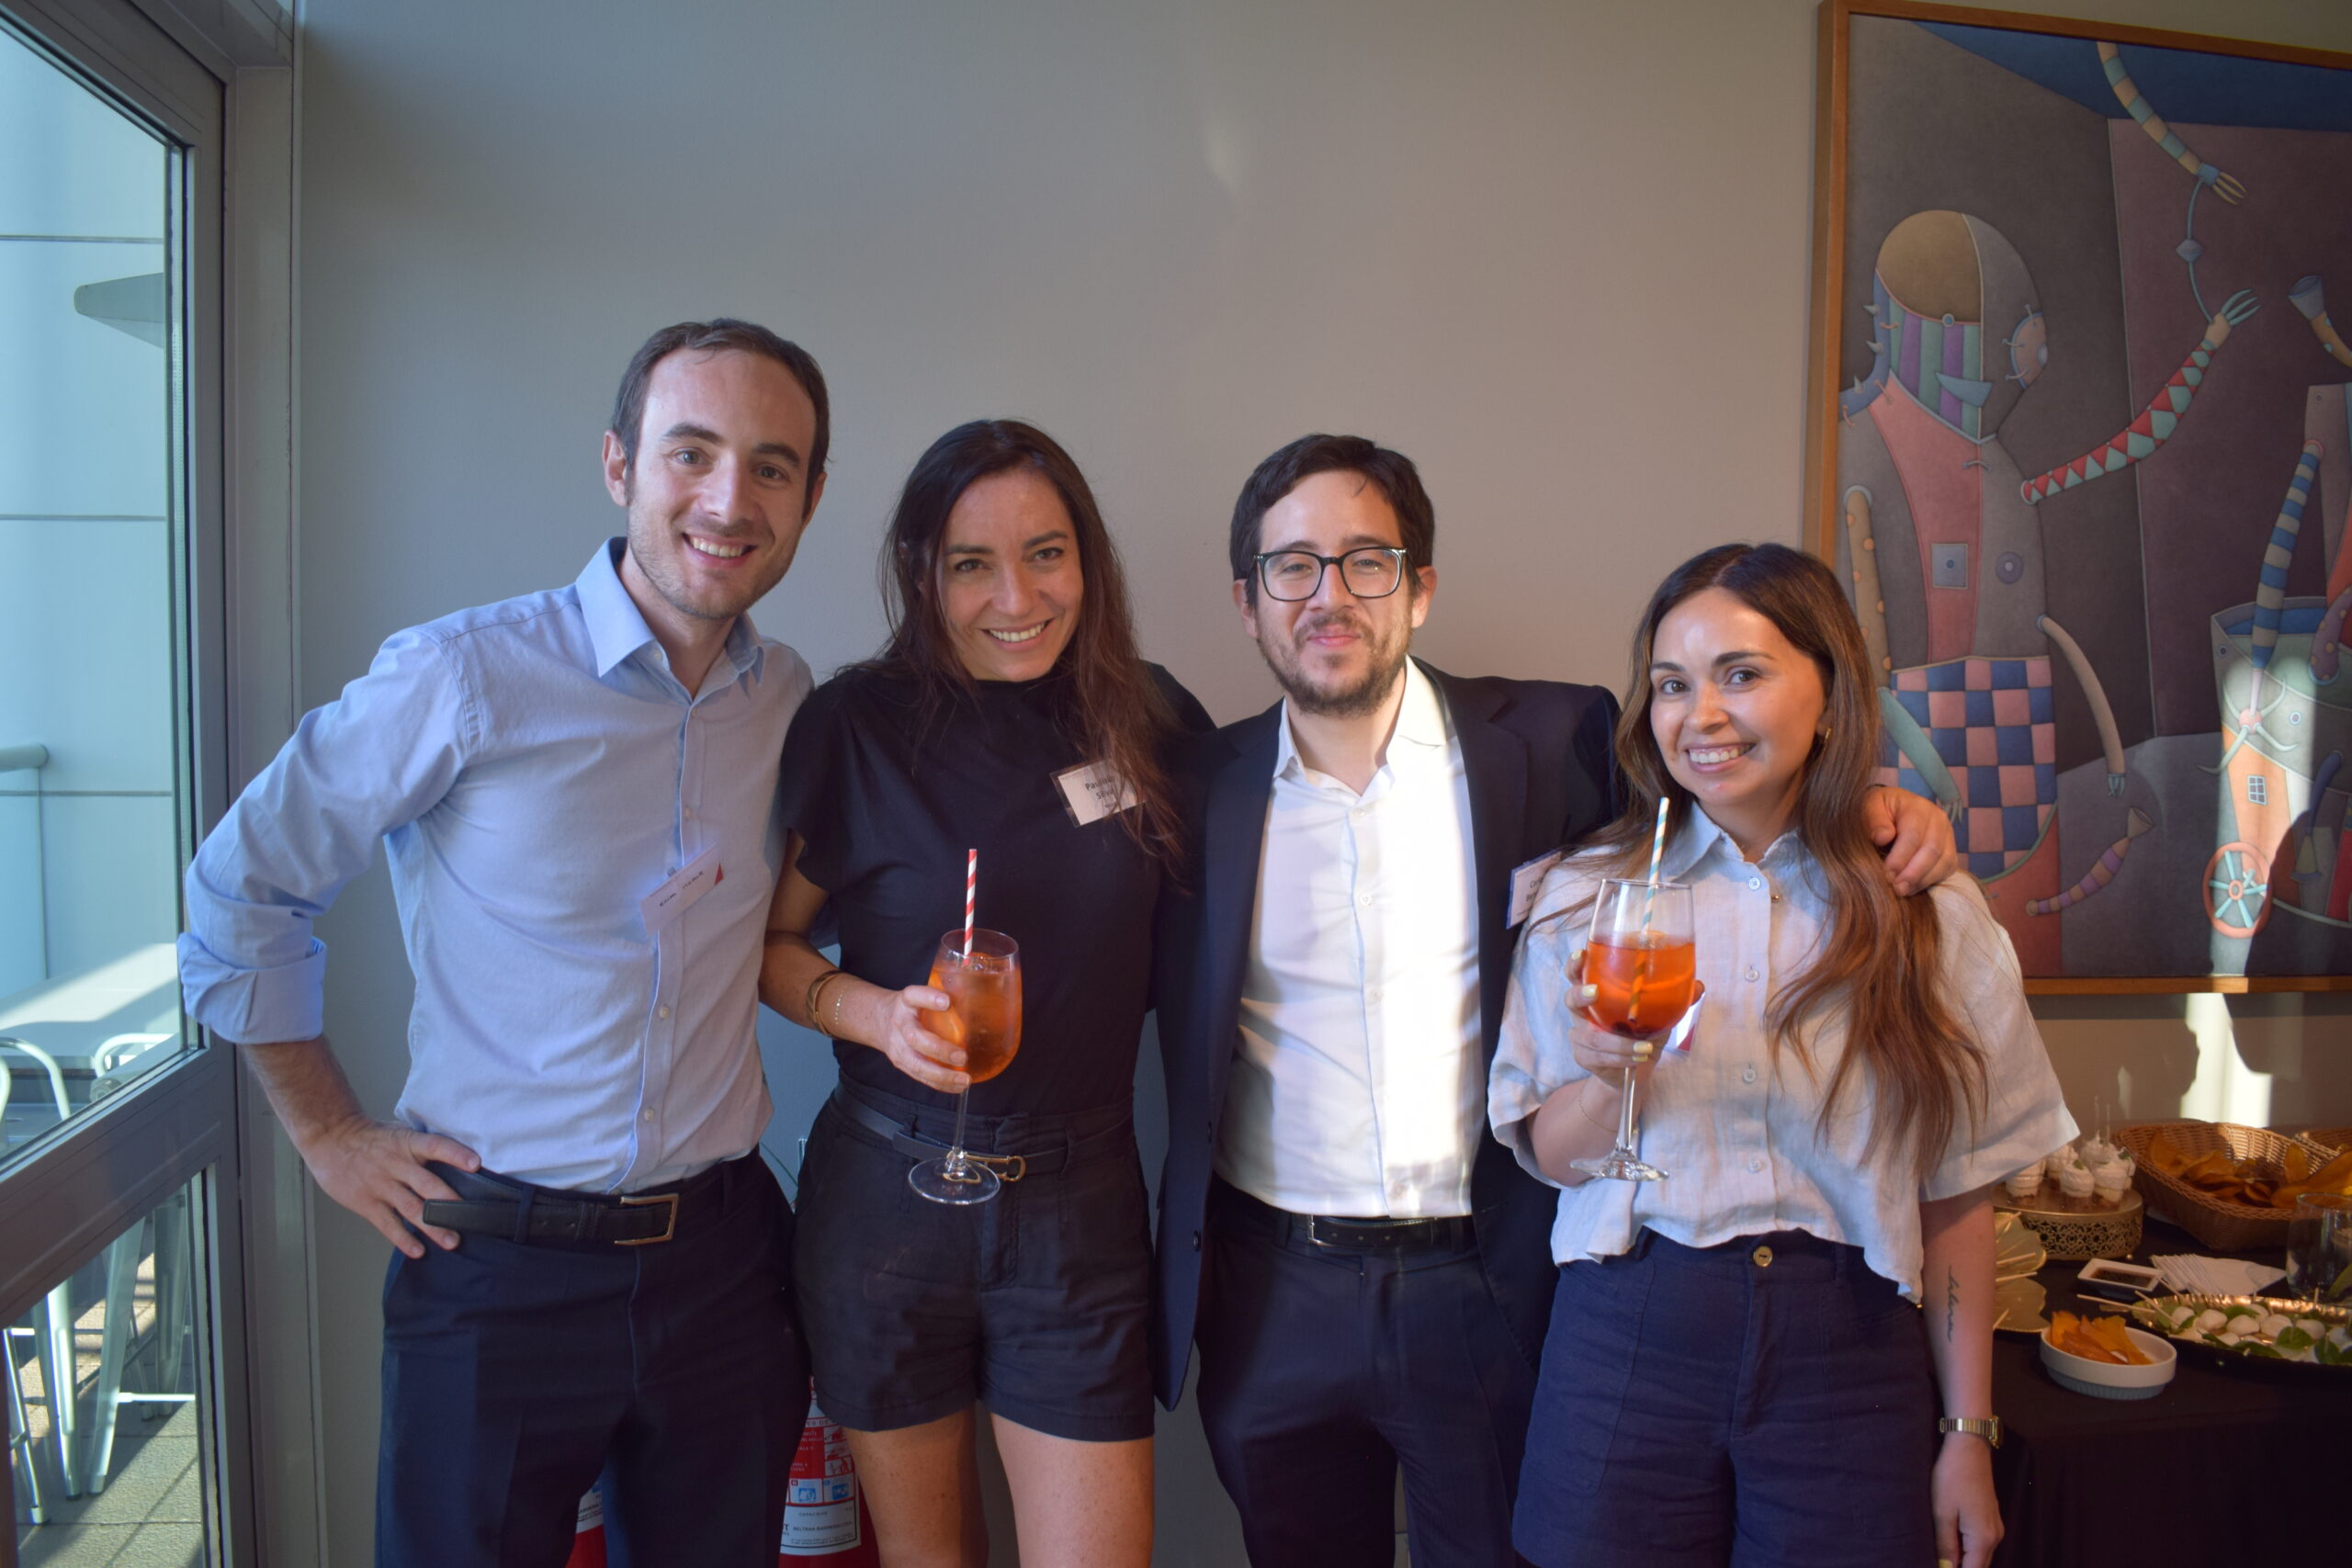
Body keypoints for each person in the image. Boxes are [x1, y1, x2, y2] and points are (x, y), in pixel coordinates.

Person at [1148, 436, 1962, 1568]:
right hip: (1269, 1290)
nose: (1328, 594)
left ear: (1419, 588)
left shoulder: (1551, 739)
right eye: (1292, 566)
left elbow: (1730, 786)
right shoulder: (1187, 786)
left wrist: (1878, 802)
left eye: (1366, 561)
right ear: (1249, 603)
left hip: (1487, 1281)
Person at [177, 320, 829, 1568]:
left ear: (808, 497)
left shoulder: (791, 700)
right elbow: (239, 889)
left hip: (727, 1266)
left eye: (772, 465)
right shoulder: (463, 675)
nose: (728, 499)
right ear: (619, 464)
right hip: (495, 1275)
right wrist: (328, 1132)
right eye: (691, 452)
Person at [1491, 542, 2075, 1568]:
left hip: (1849, 1353)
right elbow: (1549, 1156)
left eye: (1742, 674)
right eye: (1672, 684)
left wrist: (1966, 1434)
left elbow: (1958, 1194)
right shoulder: (1589, 898)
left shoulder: (1925, 909)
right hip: (1628, 1334)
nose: (1699, 715)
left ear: (1831, 695)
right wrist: (1609, 1077)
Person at [759, 420, 1210, 1568]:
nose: (1016, 597)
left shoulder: (1152, 718)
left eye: (1046, 554)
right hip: (884, 1201)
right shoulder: (855, 726)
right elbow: (771, 944)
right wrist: (874, 1015)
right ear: (923, 573)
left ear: (1086, 560)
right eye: (972, 564)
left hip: (1079, 1202)